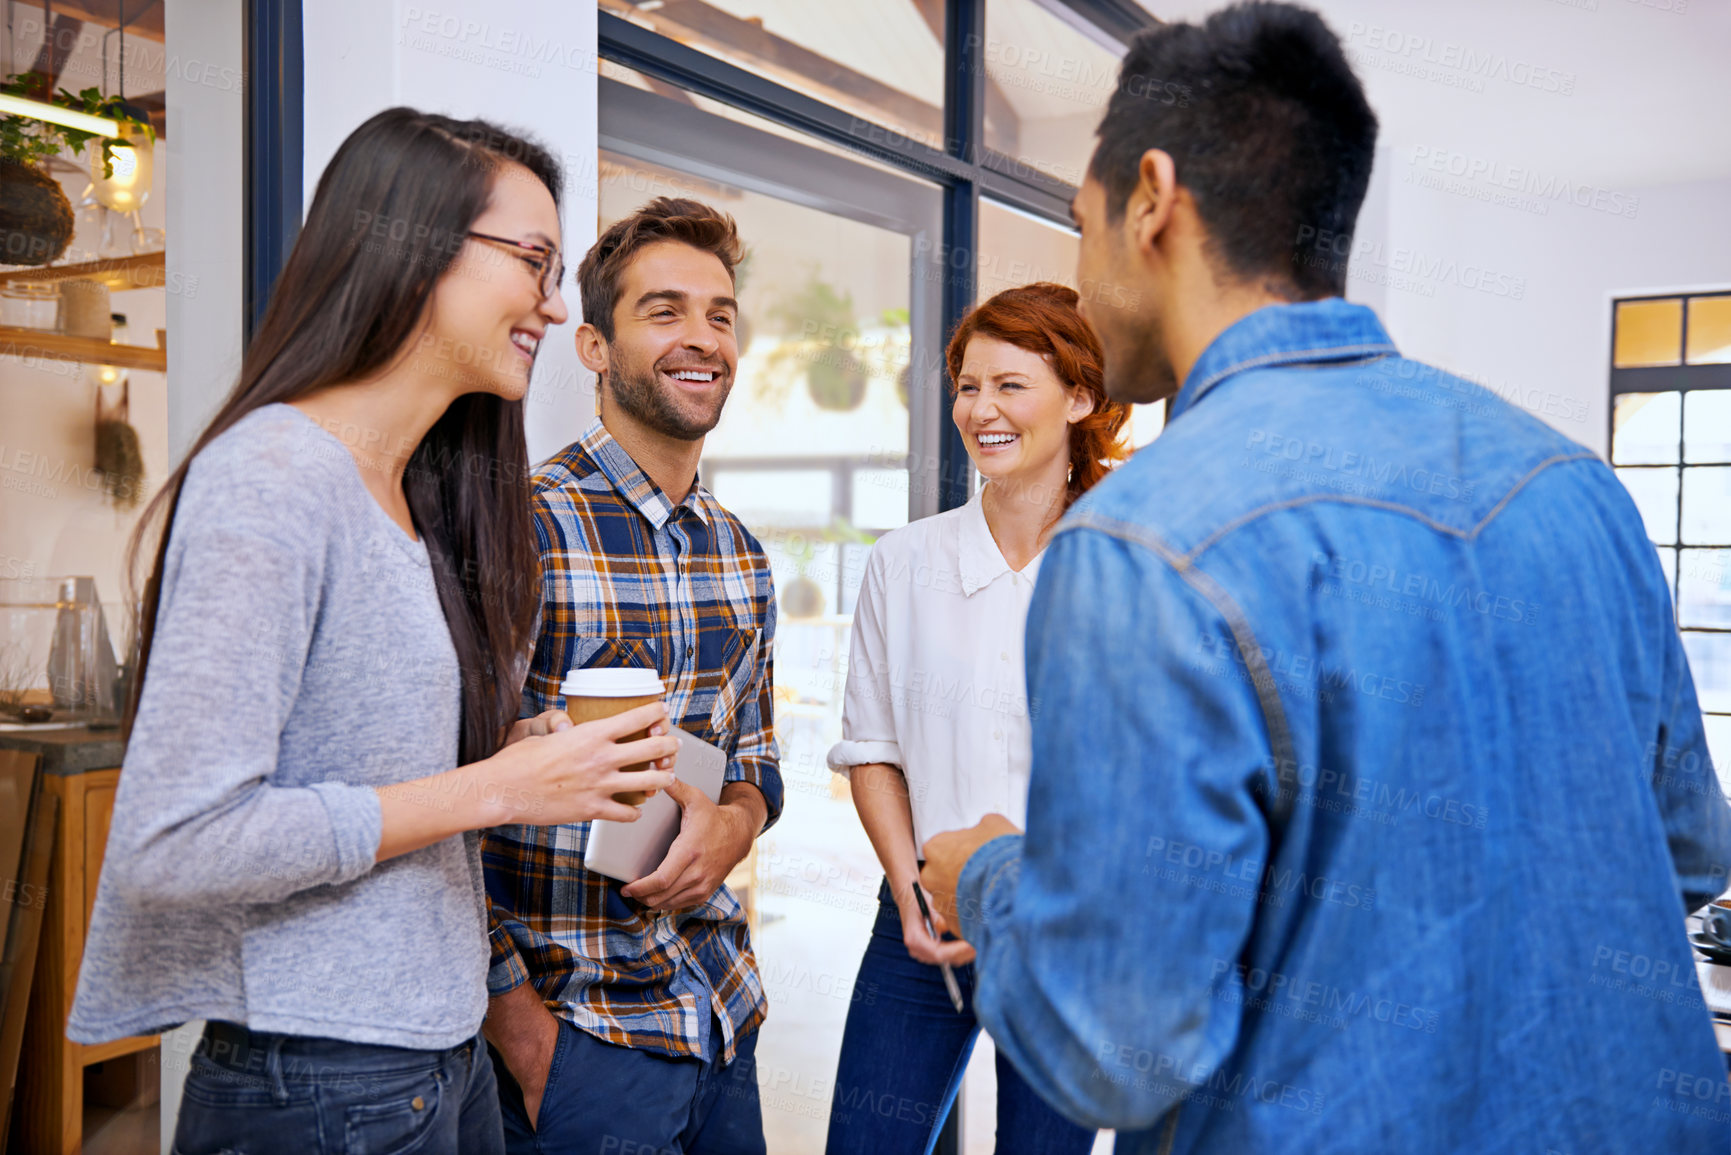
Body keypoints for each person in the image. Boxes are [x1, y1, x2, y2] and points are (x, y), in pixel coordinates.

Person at [918, 5, 1731, 1153]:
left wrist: (988, 878)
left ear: (1151, 200)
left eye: (1078, 223)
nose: (1083, 276)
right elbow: (1691, 853)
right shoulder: (1572, 483)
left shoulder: (1145, 543)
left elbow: (1115, 1044)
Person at [66, 108, 678, 1155]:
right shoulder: (273, 480)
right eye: (530, 260)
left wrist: (510, 759)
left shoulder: (414, 494)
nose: (552, 299)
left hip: (433, 1052)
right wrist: (493, 789)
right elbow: (178, 842)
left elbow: (359, 771)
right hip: (321, 1080)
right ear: (411, 246)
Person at [482, 197, 780, 1155]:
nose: (702, 338)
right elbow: (435, 801)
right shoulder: (515, 530)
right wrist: (525, 1039)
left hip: (722, 1015)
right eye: (664, 311)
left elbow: (757, 757)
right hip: (581, 1043)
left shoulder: (740, 551)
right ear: (594, 347)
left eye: (720, 314)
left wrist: (732, 824)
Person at [824, 283, 1125, 1155]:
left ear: (1078, 396)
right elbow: (873, 749)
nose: (980, 409)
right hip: (923, 916)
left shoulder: (1127, 570)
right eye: (966, 385)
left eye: (1009, 385)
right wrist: (911, 893)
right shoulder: (903, 562)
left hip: (1068, 934)